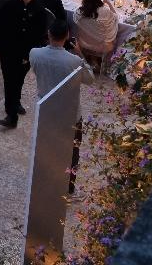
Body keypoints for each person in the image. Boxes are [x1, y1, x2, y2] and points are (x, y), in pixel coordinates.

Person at [29, 18, 94, 194]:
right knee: (72, 151)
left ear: (49, 34)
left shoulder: (35, 53)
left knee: (45, 145)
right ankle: (68, 184)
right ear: (67, 36)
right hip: (69, 112)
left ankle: (43, 177)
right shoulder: (74, 61)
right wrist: (80, 53)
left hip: (46, 109)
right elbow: (90, 79)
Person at [0, 0, 50, 128]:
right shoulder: (9, 5)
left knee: (18, 79)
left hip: (26, 53)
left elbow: (40, 35)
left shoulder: (39, 10)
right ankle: (11, 115)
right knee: (9, 81)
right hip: (8, 50)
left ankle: (15, 103)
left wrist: (29, 55)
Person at [73, 0, 118, 68]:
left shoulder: (79, 12)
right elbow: (115, 17)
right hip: (102, 45)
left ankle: (92, 59)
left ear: (84, 0)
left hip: (84, 41)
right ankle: (100, 61)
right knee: (115, 37)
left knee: (93, 33)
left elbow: (75, 20)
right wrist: (108, 3)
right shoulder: (105, 11)